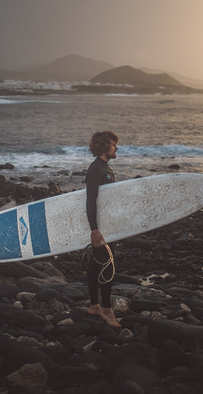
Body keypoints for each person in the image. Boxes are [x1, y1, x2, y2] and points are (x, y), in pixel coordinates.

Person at [85, 130, 121, 327]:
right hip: (101, 228)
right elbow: (91, 201)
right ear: (105, 146)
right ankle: (106, 309)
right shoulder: (96, 169)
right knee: (106, 265)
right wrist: (94, 229)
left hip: (107, 226)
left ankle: (94, 306)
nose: (116, 147)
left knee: (97, 264)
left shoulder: (105, 167)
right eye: (113, 144)